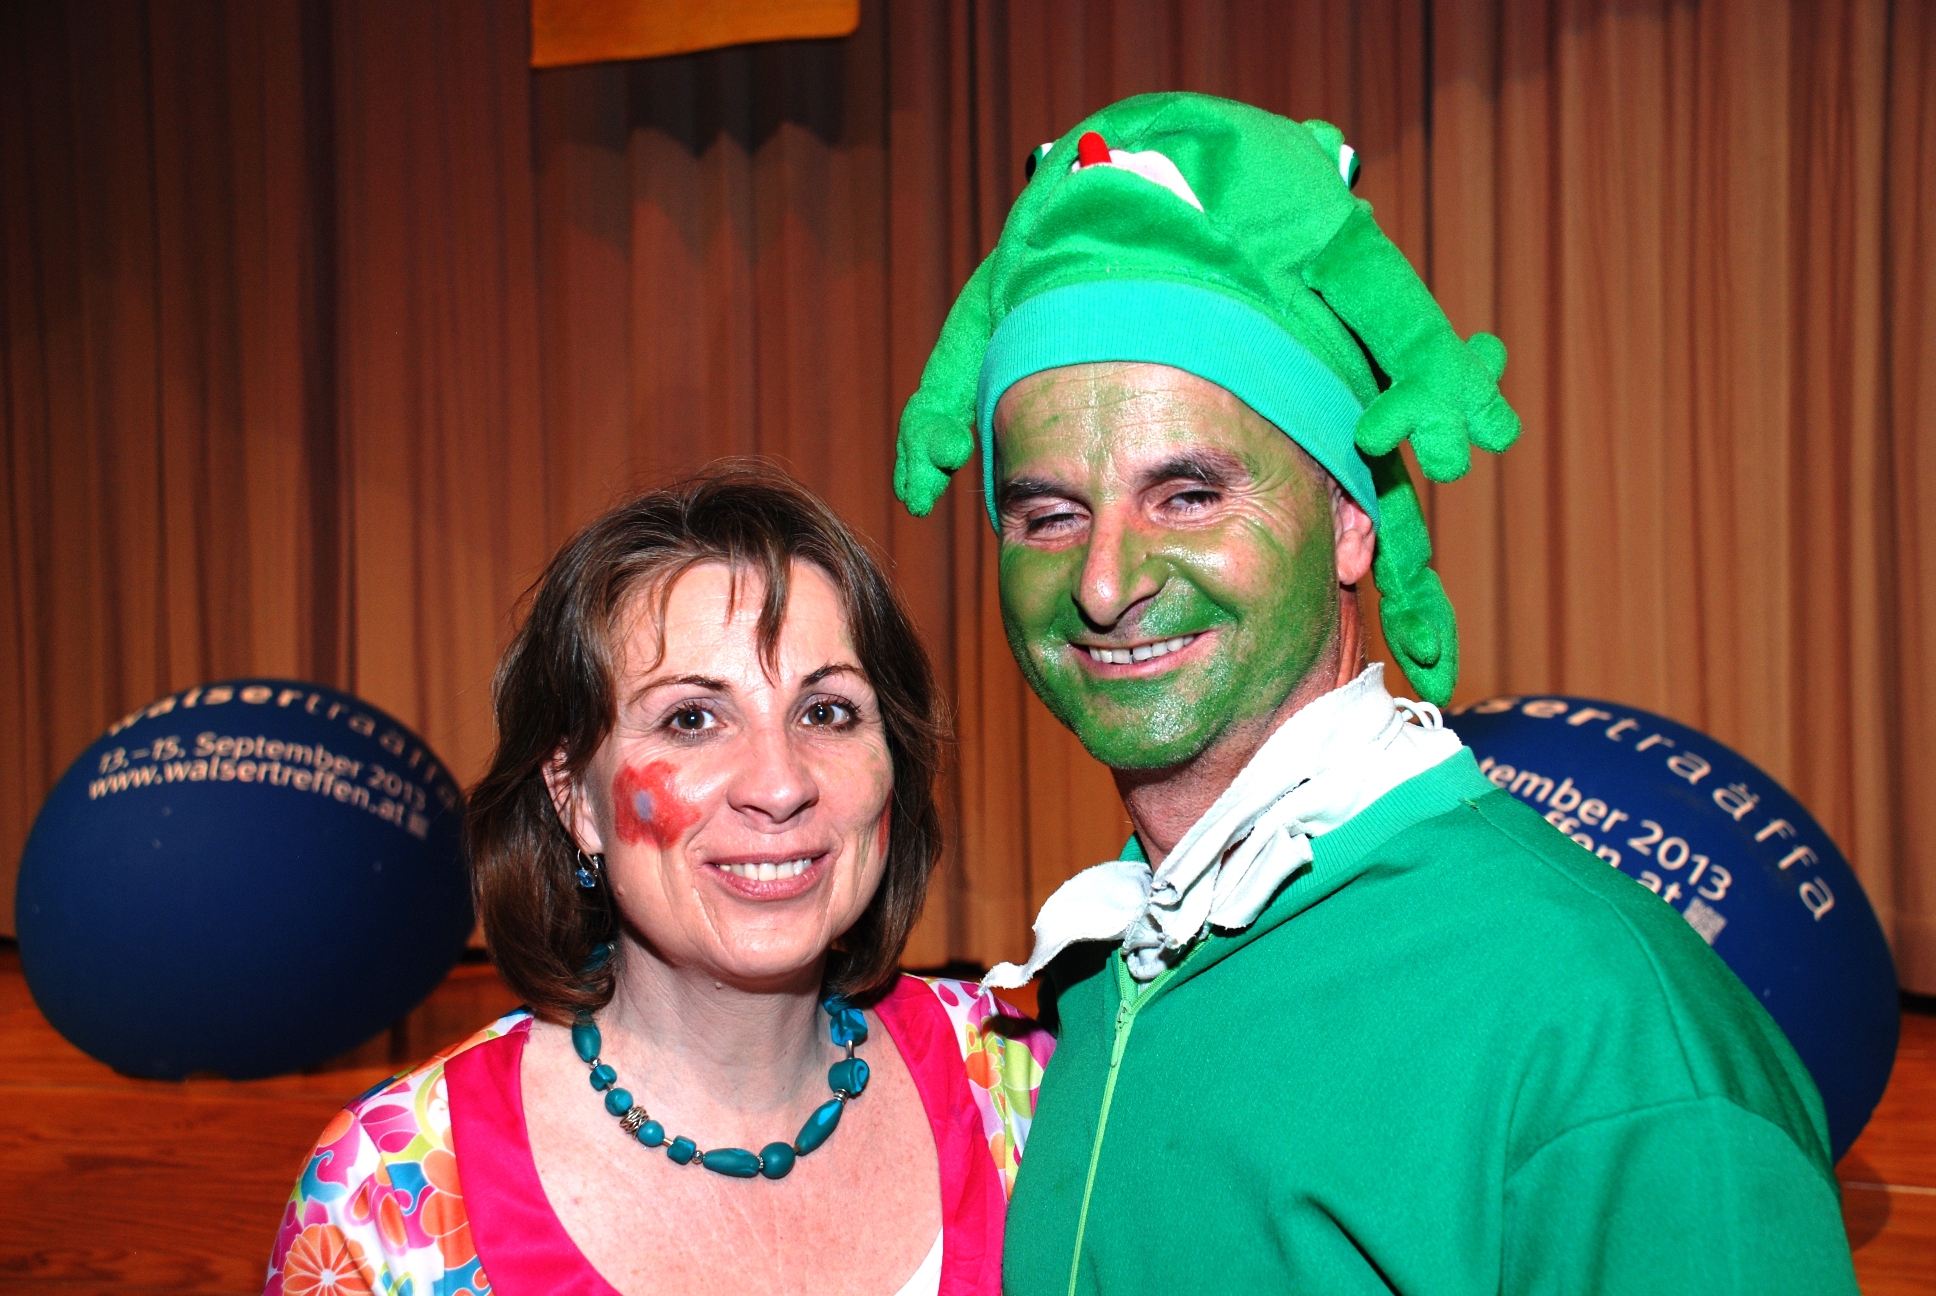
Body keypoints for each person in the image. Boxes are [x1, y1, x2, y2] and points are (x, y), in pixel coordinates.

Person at [895, 93, 1859, 1292]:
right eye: (1046, 514)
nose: (1102, 581)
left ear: (1354, 521)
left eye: (1187, 495)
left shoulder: (1616, 1042)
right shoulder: (1102, 983)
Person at [266, 467, 1052, 1296]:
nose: (780, 784)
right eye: (692, 719)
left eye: (826, 712)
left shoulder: (1020, 1087)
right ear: (576, 799)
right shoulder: (386, 1196)